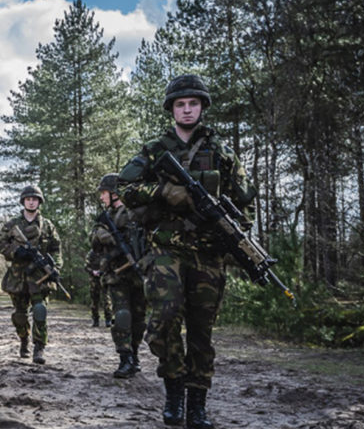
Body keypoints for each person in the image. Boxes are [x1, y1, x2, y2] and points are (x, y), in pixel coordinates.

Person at [118, 75, 256, 428]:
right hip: (167, 250)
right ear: (172, 110)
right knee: (165, 319)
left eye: (193, 103)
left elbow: (245, 202)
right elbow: (126, 187)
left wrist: (236, 236)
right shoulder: (154, 149)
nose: (187, 109)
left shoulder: (222, 152)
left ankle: (197, 405)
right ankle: (173, 391)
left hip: (208, 254)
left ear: (202, 107)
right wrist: (164, 192)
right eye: (180, 104)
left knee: (201, 332)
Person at [85, 173, 147, 379]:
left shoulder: (137, 212)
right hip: (116, 275)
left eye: (104, 193)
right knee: (122, 315)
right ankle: (125, 357)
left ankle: (135, 354)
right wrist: (103, 236)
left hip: (139, 273)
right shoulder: (106, 217)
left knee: (139, 319)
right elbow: (93, 240)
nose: (102, 197)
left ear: (114, 193)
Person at [0, 185, 61, 365]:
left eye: (35, 199)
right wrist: (16, 251)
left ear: (39, 202)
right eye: (28, 199)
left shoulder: (47, 225)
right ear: (23, 201)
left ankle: (39, 348)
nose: (31, 202)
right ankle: (24, 339)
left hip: (40, 277)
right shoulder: (12, 225)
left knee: (40, 310)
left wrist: (55, 267)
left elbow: (56, 249)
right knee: (20, 316)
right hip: (18, 277)